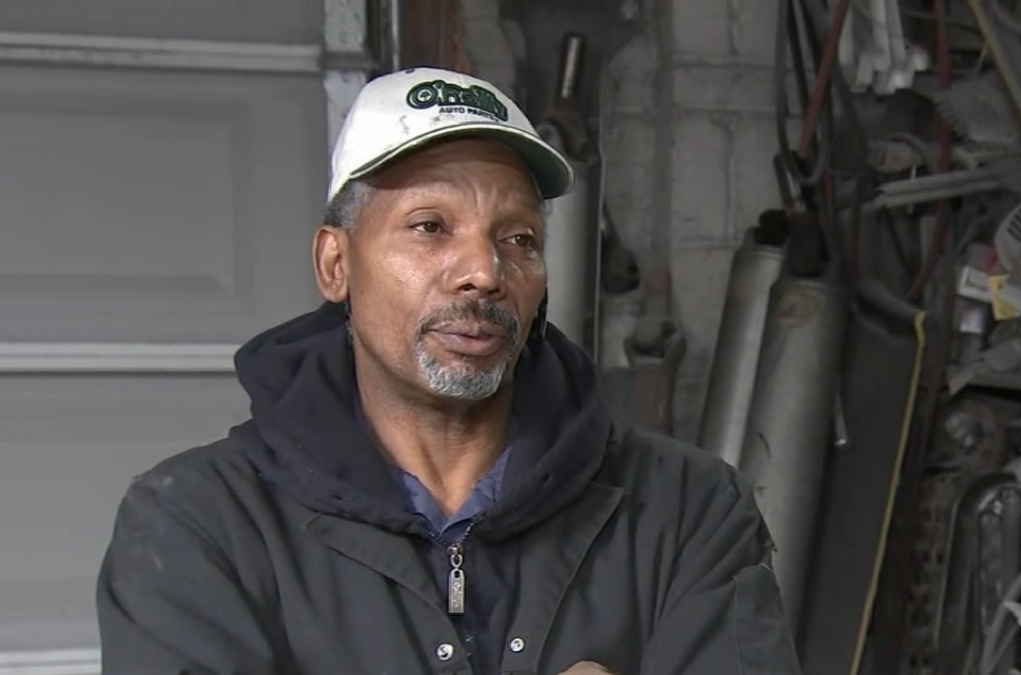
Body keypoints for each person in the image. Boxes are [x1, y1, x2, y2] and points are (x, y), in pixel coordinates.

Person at [95, 66, 802, 675]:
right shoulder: (199, 522)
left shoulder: (685, 509)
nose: (484, 272)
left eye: (518, 238)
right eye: (430, 227)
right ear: (336, 263)